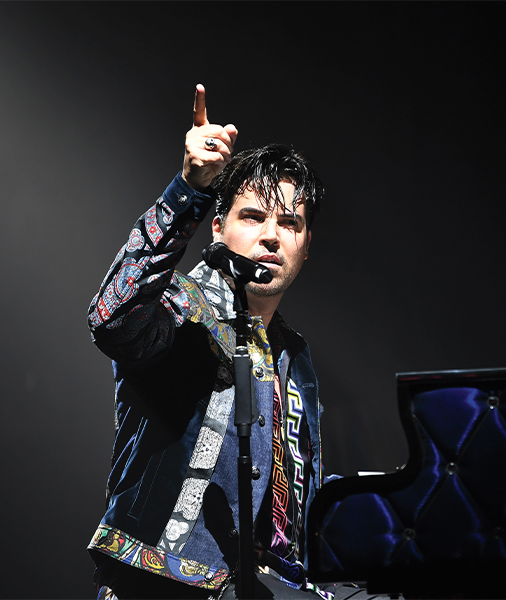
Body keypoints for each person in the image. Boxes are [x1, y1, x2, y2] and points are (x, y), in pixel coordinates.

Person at [86, 84, 336, 599]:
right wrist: (189, 189)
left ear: (306, 245)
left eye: (289, 223)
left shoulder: (294, 355)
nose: (272, 236)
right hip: (158, 584)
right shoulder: (179, 306)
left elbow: (297, 501)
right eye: (253, 216)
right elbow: (112, 317)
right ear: (218, 227)